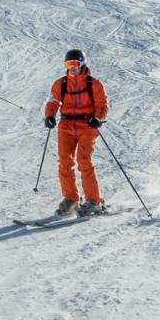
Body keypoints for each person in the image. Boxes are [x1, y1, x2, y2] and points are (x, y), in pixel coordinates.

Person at [43, 48, 110, 217]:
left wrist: (98, 118)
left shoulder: (94, 84)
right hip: (66, 125)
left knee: (84, 160)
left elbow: (102, 105)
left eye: (75, 64)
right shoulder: (61, 84)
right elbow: (53, 101)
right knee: (65, 161)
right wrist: (49, 115)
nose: (72, 67)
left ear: (82, 64)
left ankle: (94, 201)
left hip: (86, 125)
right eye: (68, 64)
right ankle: (71, 198)